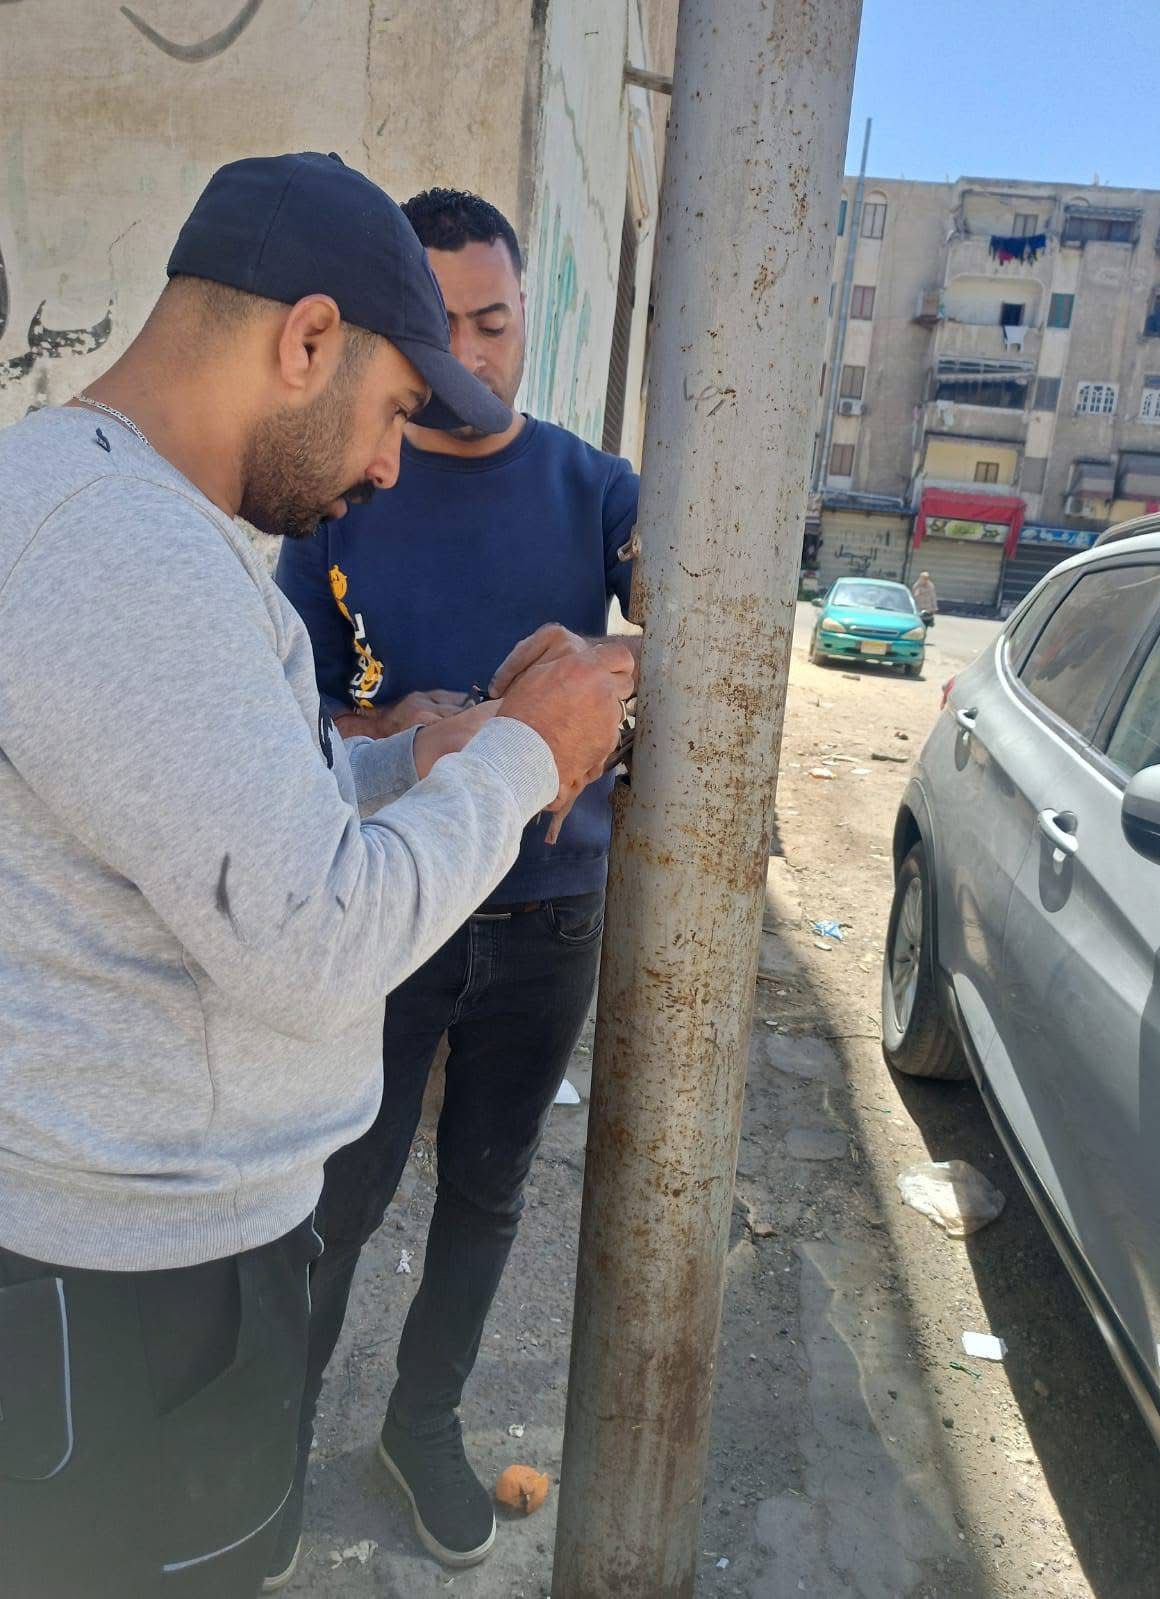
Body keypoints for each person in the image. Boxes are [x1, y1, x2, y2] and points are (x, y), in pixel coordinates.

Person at [0, 152, 632, 1599]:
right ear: (305, 341)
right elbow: (314, 940)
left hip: (134, 1255)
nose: (393, 466)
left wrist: (409, 762)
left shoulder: (105, 507)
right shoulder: (126, 557)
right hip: (134, 1295)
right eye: (397, 409)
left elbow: (205, 821)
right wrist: (521, 757)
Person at [272, 188, 639, 1578]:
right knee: (339, 1200)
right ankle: (271, 1444)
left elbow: (719, 628)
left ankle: (419, 1429)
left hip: (550, 911)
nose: (474, 357)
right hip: (386, 900)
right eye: (446, 329)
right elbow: (295, 710)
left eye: (497, 322)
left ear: (525, 316)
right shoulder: (342, 485)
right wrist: (402, 724)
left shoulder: (595, 490)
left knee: (488, 1195)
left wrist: (608, 667)